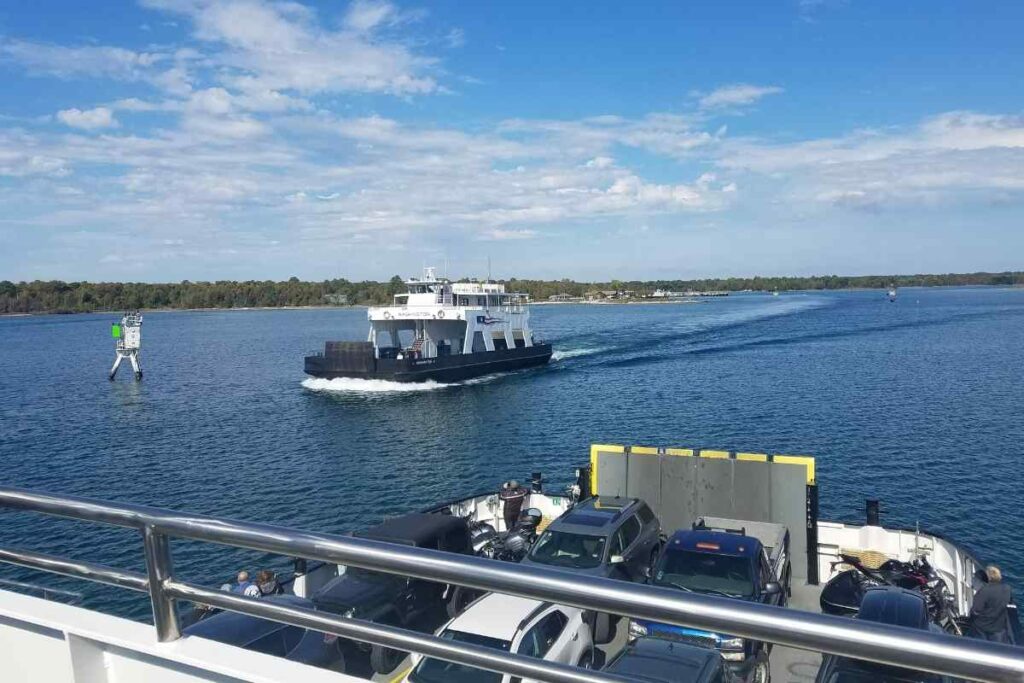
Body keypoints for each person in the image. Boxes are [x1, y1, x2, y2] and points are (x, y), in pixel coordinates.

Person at [971, 565, 1013, 643]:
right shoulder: (1007, 588)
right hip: (999, 628)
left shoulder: (984, 591)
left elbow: (975, 610)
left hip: (982, 628)